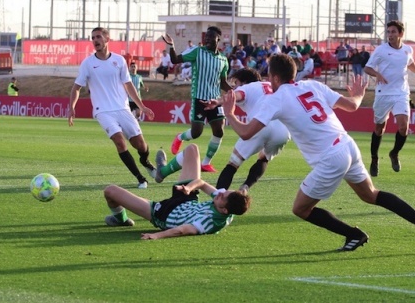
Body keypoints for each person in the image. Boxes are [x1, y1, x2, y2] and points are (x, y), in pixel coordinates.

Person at [221, 53, 415, 252]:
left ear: (276, 78)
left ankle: (354, 234)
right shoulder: (313, 85)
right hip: (347, 145)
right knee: (371, 194)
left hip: (331, 157)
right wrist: (358, 94)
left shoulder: (276, 98)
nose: (269, 81)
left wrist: (230, 114)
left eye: (270, 77)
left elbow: (247, 133)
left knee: (300, 208)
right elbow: (352, 105)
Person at [156, 68, 290, 194]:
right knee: (264, 159)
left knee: (233, 165)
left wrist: (218, 101)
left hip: (260, 125)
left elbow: (235, 95)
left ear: (243, 82)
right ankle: (245, 186)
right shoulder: (270, 85)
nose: (234, 86)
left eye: (236, 83)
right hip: (283, 130)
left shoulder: (247, 88)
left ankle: (218, 197)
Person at [68, 27, 156, 189]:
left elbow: (128, 85)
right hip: (103, 111)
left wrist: (141, 106)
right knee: (120, 142)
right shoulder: (88, 63)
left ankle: (145, 161)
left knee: (141, 145)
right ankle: (140, 178)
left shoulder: (119, 60)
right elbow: (76, 88)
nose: (95, 40)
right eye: (93, 38)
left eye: (99, 37)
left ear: (107, 39)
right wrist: (72, 107)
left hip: (122, 109)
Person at [102, 144, 251, 239]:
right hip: (186, 199)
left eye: (222, 196)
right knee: (192, 149)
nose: (219, 193)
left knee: (110, 191)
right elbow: (202, 183)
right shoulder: (226, 203)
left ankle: (120, 220)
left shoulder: (210, 222)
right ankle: (162, 172)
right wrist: (188, 188)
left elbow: (182, 230)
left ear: (224, 210)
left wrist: (156, 236)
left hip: (164, 213)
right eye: (223, 192)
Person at [364, 20, 415, 176]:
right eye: (388, 32)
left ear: (401, 34)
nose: (390, 35)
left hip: (401, 93)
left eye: (393, 32)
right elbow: (367, 68)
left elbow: (410, 63)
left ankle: (394, 153)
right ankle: (374, 159)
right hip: (383, 94)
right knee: (380, 128)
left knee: (403, 127)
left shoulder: (407, 50)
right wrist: (377, 74)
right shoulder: (381, 50)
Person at [163, 26, 231, 173]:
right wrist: (171, 46)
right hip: (199, 98)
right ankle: (180, 137)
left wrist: (235, 92)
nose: (206, 39)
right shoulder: (197, 52)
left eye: (210, 37)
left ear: (218, 39)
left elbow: (223, 82)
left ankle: (206, 163)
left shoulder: (223, 60)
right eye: (205, 37)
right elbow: (175, 60)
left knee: (219, 131)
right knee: (196, 133)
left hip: (214, 101)